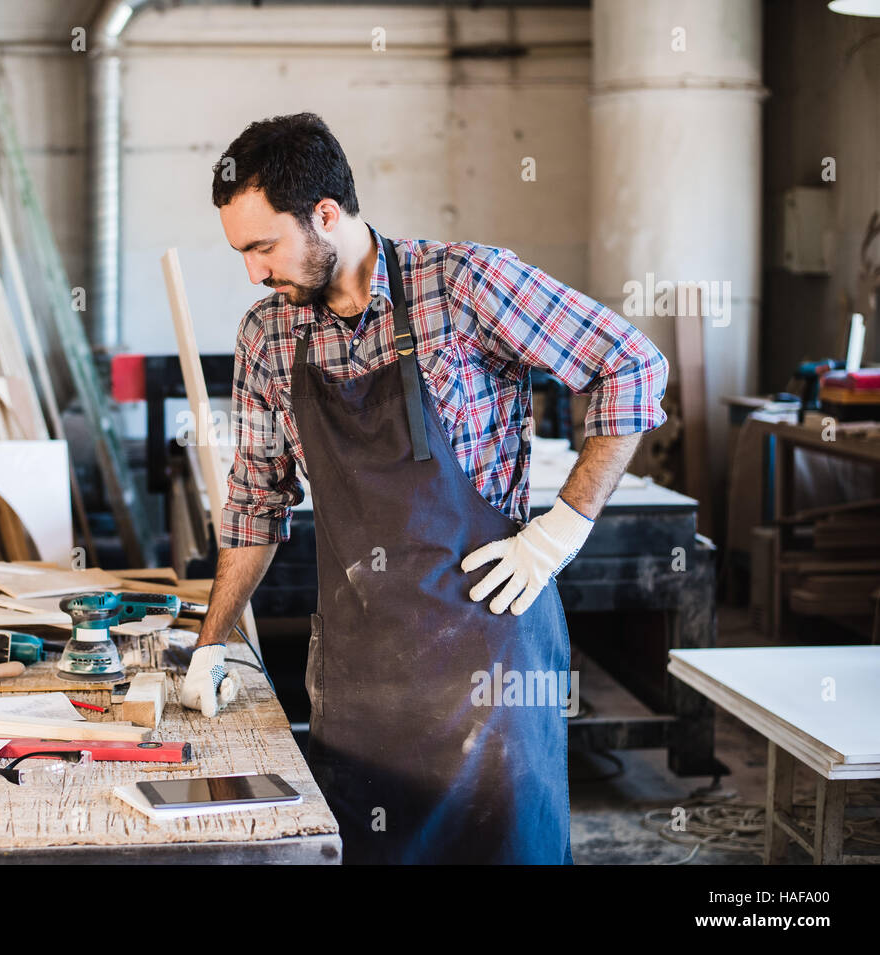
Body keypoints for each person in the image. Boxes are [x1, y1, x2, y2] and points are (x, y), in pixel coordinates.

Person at [178, 112, 668, 864]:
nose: (254, 271)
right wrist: (212, 645)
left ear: (327, 215)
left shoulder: (464, 283)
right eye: (242, 252)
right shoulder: (267, 336)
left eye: (263, 246)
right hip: (359, 680)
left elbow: (631, 364)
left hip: (493, 669)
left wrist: (560, 532)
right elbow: (252, 504)